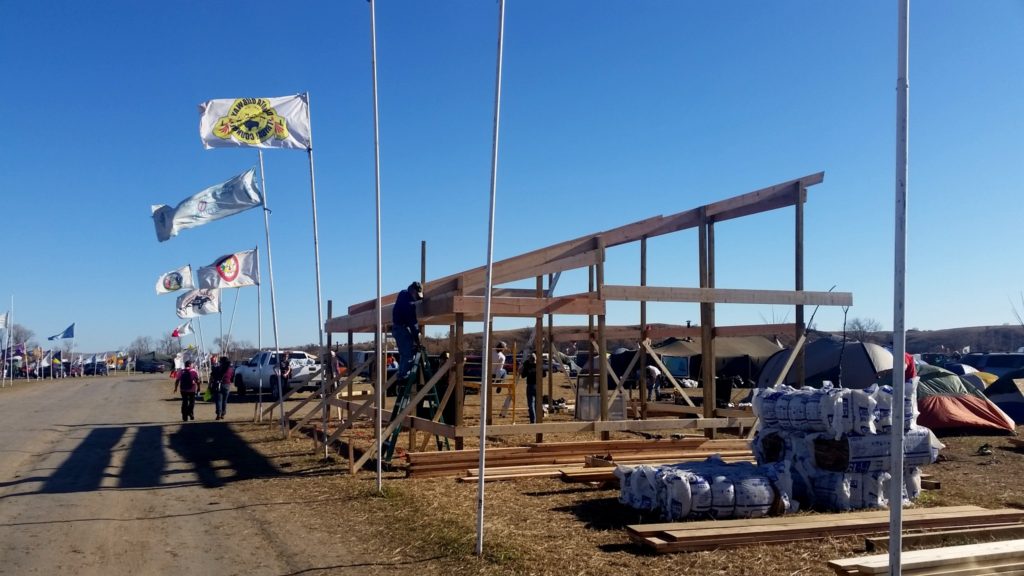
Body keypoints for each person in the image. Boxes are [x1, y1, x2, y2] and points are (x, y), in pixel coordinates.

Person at [392, 281, 423, 380]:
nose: (417, 298)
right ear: (413, 291)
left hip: (397, 328)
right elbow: (412, 323)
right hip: (401, 329)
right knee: (408, 353)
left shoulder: (402, 294)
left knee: (404, 353)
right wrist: (417, 338)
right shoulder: (409, 304)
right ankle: (404, 375)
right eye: (417, 296)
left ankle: (401, 374)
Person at [521, 351, 546, 424]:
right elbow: (544, 374)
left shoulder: (527, 365)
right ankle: (538, 420)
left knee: (531, 404)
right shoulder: (539, 365)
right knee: (537, 404)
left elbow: (523, 375)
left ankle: (533, 421)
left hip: (530, 386)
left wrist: (524, 367)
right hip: (538, 386)